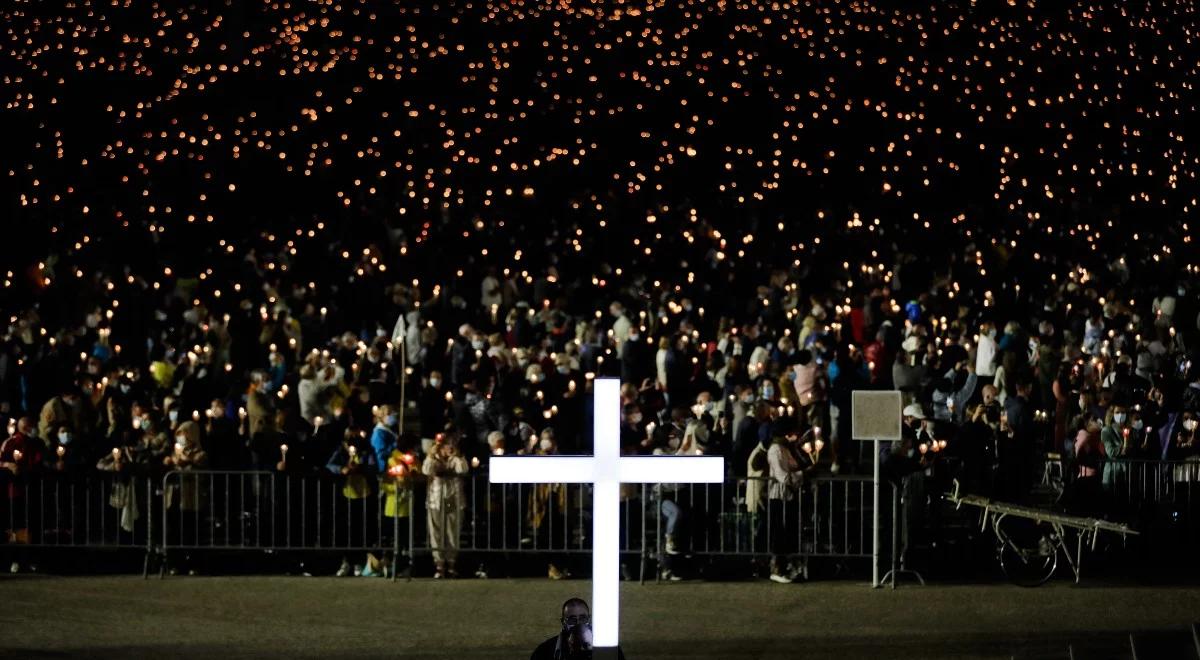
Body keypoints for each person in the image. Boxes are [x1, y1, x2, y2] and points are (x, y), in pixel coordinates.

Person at [422, 431, 469, 578]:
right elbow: (426, 470)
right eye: (445, 445)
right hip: (435, 501)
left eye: (450, 444)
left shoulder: (456, 459)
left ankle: (451, 563)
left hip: (452, 500)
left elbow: (463, 469)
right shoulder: (433, 458)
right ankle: (439, 564)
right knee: (436, 532)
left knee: (451, 530)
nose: (448, 448)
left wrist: (457, 455)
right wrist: (431, 455)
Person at [530, 598, 627, 660]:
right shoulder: (544, 651)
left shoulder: (609, 649)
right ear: (563, 622)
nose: (578, 624)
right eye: (572, 620)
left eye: (583, 618)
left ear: (589, 619)